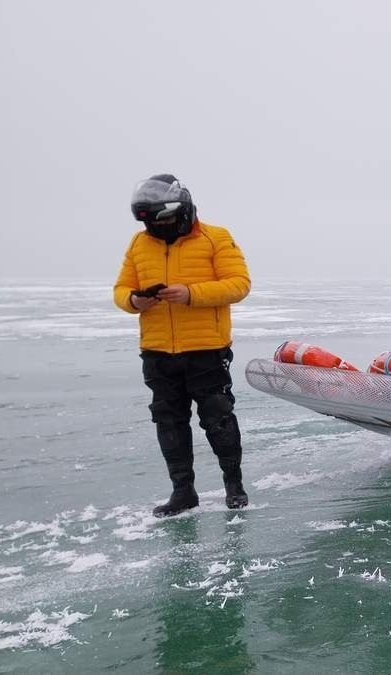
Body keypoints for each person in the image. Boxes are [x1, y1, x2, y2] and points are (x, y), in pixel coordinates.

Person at [113, 174, 252, 517]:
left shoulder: (215, 237)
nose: (160, 230)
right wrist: (134, 301)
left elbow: (239, 284)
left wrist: (191, 294)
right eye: (153, 225)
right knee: (169, 422)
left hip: (205, 349)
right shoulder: (138, 244)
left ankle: (233, 486)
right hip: (158, 351)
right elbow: (120, 289)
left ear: (183, 209)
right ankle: (183, 492)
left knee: (218, 419)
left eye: (166, 221)